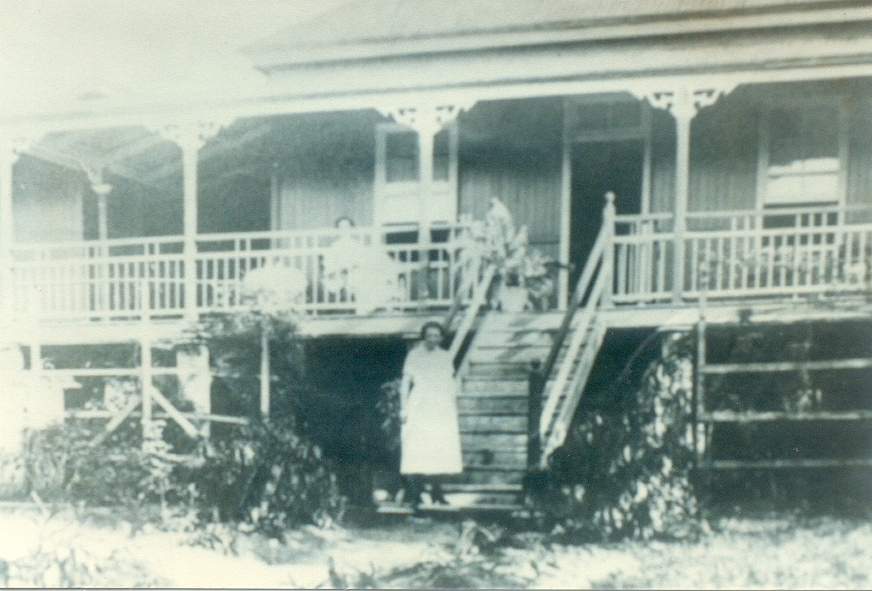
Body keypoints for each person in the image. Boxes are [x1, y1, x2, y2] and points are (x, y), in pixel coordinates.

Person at [399, 321, 463, 507]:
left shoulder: (445, 356)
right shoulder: (414, 355)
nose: (433, 339)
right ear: (423, 337)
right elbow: (405, 384)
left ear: (441, 338)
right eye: (429, 336)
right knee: (418, 448)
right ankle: (415, 495)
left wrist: (452, 404)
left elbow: (449, 382)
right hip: (419, 405)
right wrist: (403, 408)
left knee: (438, 448)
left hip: (440, 406)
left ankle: (437, 493)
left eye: (437, 336)